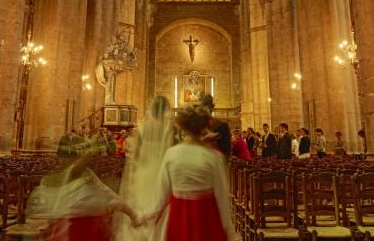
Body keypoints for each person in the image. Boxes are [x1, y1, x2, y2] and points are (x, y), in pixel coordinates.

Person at [143, 105, 234, 241]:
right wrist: (228, 227)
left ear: (182, 127)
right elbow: (222, 196)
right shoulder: (214, 156)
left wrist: (147, 215)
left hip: (178, 215)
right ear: (204, 127)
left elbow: (161, 194)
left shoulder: (171, 154)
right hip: (206, 217)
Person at [28, 148, 140, 241]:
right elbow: (113, 199)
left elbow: (53, 202)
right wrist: (133, 216)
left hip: (71, 227)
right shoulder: (91, 183)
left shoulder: (64, 181)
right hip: (90, 227)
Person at [115, 95, 176, 241]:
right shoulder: (169, 127)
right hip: (162, 170)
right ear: (165, 109)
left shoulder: (143, 127)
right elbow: (172, 151)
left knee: (143, 202)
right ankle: (158, 235)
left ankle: (142, 234)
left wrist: (135, 171)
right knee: (160, 204)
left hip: (145, 170)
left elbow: (136, 154)